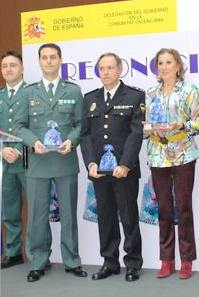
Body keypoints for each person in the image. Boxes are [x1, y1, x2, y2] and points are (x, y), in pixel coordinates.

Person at [13, 43, 87, 282]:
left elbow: (80, 125)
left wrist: (71, 141)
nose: (48, 61)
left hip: (65, 160)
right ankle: (38, 262)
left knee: (68, 215)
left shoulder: (73, 91)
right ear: (39, 61)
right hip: (38, 162)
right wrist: (33, 142)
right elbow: (19, 126)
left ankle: (72, 260)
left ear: (60, 60)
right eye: (44, 58)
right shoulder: (28, 92)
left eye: (52, 57)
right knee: (36, 216)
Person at [80, 52, 145, 282]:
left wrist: (126, 164)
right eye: (102, 68)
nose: (106, 72)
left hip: (124, 170)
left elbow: (136, 133)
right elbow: (85, 135)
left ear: (120, 70)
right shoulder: (90, 98)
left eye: (110, 68)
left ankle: (133, 263)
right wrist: (90, 162)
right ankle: (109, 262)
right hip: (99, 170)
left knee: (128, 217)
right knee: (105, 218)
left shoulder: (135, 96)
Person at [143, 48, 199, 280]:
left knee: (184, 208)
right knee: (164, 209)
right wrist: (147, 129)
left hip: (183, 154)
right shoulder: (150, 93)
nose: (165, 66)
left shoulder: (189, 90)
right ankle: (166, 259)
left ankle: (187, 260)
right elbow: (147, 124)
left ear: (178, 66)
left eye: (169, 62)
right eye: (161, 63)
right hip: (157, 154)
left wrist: (180, 126)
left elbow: (198, 123)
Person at [0, 50, 29, 269]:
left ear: (22, 68)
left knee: (38, 210)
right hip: (3, 161)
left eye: (13, 65)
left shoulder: (33, 92)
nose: (9, 69)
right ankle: (13, 253)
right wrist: (1, 150)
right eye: (5, 66)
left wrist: (18, 149)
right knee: (10, 211)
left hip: (29, 159)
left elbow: (36, 126)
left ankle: (38, 254)